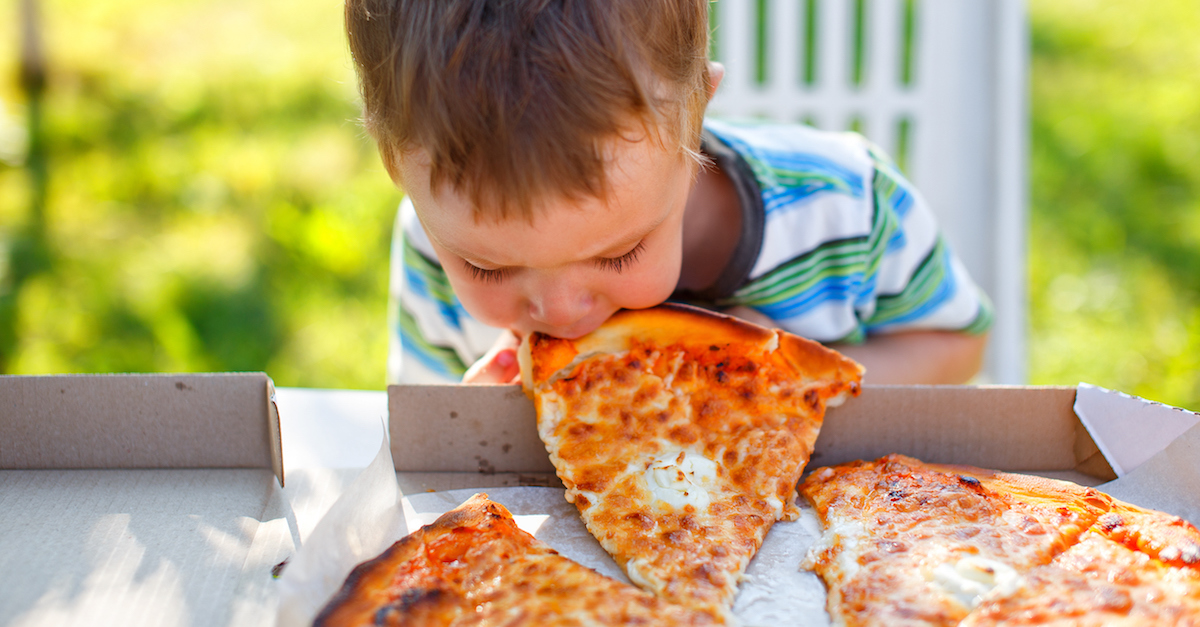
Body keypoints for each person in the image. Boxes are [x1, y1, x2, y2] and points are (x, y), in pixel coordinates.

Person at [344, 0, 992, 386]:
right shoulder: (431, 243)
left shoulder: (847, 207)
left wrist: (807, 373)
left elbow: (959, 344)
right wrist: (480, 425)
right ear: (393, 163)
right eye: (487, 266)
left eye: (620, 253)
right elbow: (428, 446)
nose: (563, 311)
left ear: (697, 115)